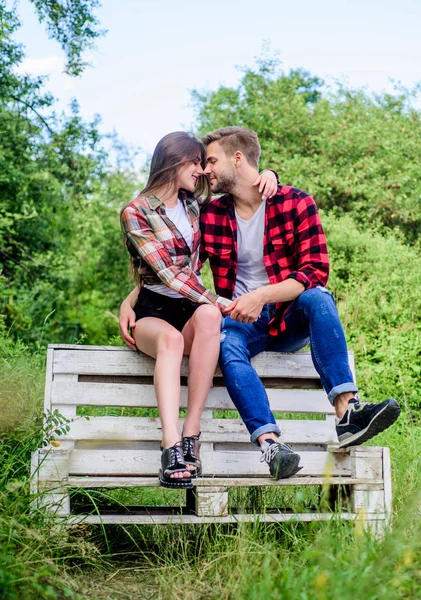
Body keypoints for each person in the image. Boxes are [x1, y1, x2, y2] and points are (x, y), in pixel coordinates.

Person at [119, 131, 277, 489]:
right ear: (174, 162)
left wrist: (270, 175)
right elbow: (168, 273)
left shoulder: (194, 206)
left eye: (204, 162)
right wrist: (130, 301)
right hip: (152, 312)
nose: (203, 170)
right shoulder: (136, 212)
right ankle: (171, 447)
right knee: (173, 340)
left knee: (207, 317)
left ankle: (192, 436)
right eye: (195, 162)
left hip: (190, 306)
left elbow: (241, 186)